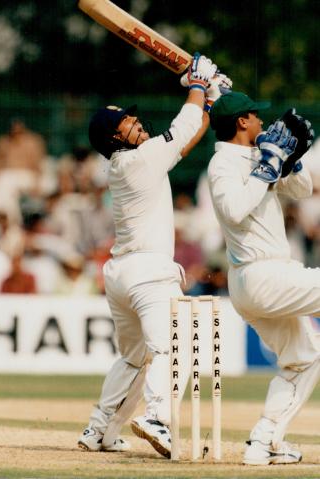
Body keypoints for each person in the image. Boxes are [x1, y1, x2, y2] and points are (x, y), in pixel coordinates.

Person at [77, 53, 232, 457]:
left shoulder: (132, 162)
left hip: (121, 274)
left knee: (132, 358)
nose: (136, 122)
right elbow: (180, 130)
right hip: (148, 271)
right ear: (114, 137)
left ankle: (99, 430)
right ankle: (157, 417)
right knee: (174, 348)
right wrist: (198, 83)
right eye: (127, 122)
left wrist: (211, 101)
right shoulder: (141, 160)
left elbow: (184, 139)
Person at [207, 91, 319, 465]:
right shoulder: (222, 163)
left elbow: (303, 191)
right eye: (256, 117)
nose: (263, 124)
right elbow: (234, 210)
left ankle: (263, 441)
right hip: (258, 274)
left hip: (268, 278)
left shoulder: (260, 152)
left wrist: (289, 160)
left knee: (304, 358)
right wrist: (267, 165)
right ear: (242, 122)